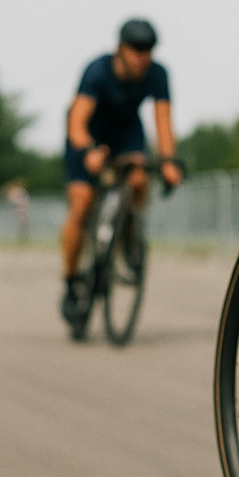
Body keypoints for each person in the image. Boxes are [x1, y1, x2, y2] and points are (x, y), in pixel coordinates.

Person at [59, 18, 184, 322]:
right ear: (121, 49)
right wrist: (89, 150)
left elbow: (163, 123)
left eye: (148, 50)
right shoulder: (98, 70)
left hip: (126, 135)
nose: (143, 57)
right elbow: (76, 121)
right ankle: (71, 281)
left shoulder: (157, 74)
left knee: (140, 178)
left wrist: (169, 161)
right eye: (136, 50)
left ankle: (129, 236)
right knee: (82, 204)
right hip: (90, 135)